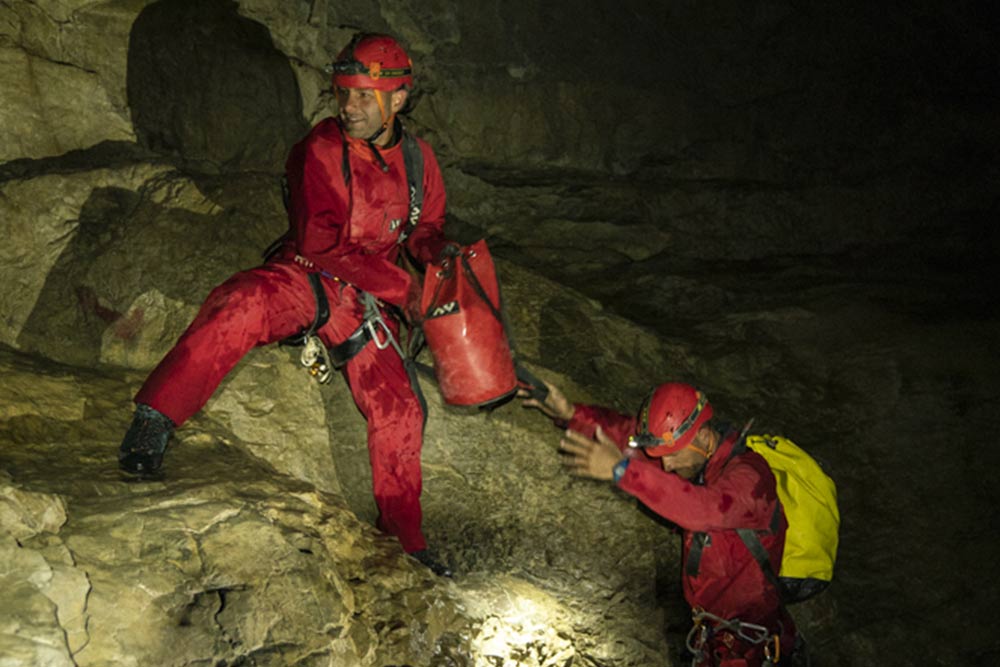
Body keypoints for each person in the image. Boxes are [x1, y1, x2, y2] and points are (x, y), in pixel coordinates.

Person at [118, 32, 455, 574]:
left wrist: (438, 252)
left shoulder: (419, 161)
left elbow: (424, 227)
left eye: (364, 96)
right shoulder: (320, 149)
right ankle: (155, 417)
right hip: (310, 276)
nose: (348, 107)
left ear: (398, 98)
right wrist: (406, 290)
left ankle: (405, 542)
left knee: (400, 407)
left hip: (366, 303)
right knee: (240, 302)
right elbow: (322, 243)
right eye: (343, 93)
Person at [521, 380, 798, 665]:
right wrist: (568, 412)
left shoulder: (750, 479)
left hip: (750, 646)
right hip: (710, 635)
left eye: (673, 455)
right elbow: (625, 434)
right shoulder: (695, 461)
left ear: (703, 436)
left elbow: (703, 508)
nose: (668, 466)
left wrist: (622, 471)